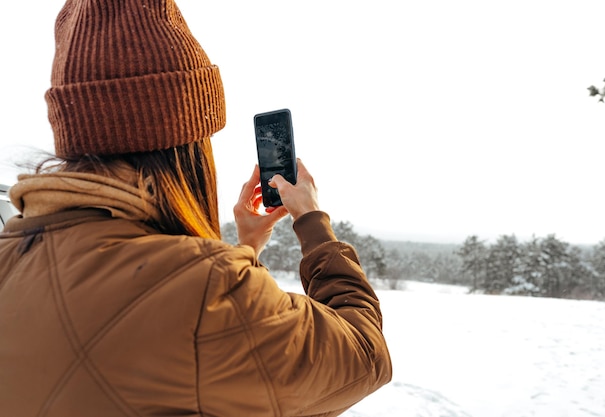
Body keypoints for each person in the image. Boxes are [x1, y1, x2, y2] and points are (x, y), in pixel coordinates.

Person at [0, 1, 392, 416]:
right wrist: (312, 221)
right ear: (184, 151)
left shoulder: (9, 257)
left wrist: (244, 254)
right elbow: (365, 356)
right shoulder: (207, 289)